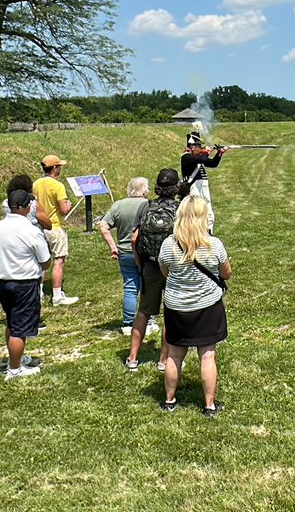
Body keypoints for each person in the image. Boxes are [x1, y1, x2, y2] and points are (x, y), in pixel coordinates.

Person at [159, 195, 232, 417]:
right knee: (207, 355)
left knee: (174, 354)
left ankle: (169, 400)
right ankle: (209, 405)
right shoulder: (214, 244)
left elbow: (165, 271)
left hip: (176, 306)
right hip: (207, 306)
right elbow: (226, 273)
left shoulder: (169, 244)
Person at [0, 189, 52, 380]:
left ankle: (14, 359)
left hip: (2, 282)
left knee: (11, 322)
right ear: (28, 207)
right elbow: (45, 260)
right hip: (23, 283)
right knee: (20, 329)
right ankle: (15, 369)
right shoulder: (30, 230)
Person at [125, 169, 179, 372]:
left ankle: (132, 358)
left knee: (144, 311)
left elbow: (133, 238)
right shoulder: (180, 208)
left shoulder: (145, 207)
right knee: (170, 312)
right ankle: (164, 361)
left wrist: (140, 263)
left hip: (150, 264)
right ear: (176, 187)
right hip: (174, 266)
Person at [99, 177, 150, 336]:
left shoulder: (118, 205)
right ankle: (148, 321)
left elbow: (103, 225)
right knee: (146, 288)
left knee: (130, 287)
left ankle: (128, 323)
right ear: (145, 190)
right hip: (144, 252)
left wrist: (113, 247)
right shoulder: (147, 205)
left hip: (125, 252)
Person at [32, 154, 77, 306]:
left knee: (42, 261)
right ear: (55, 168)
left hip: (40, 226)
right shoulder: (58, 186)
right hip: (55, 227)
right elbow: (64, 210)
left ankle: (38, 292)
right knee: (59, 260)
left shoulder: (36, 184)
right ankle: (57, 295)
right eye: (59, 166)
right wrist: (68, 206)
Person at [180, 130, 224, 230]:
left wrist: (219, 153)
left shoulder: (197, 157)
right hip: (193, 187)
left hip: (202, 187)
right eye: (199, 146)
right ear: (192, 147)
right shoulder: (186, 157)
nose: (201, 148)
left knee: (208, 210)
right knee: (195, 211)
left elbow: (213, 164)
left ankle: (209, 230)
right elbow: (203, 159)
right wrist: (207, 151)